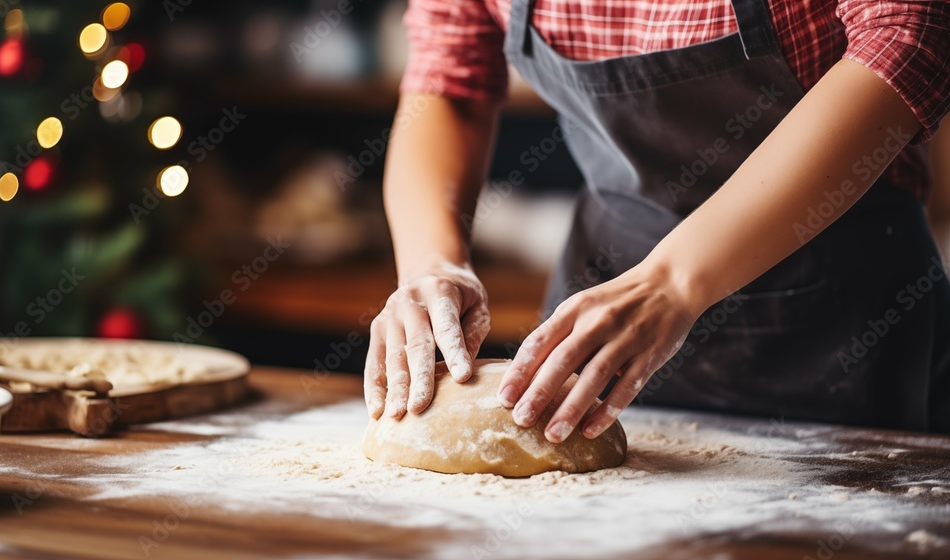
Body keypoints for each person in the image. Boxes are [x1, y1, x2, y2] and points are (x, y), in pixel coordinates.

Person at [364, 0, 950, 438]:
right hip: (597, 325)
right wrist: (432, 261)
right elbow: (450, 72)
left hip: (843, 329)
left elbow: (908, 35)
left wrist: (673, 281)